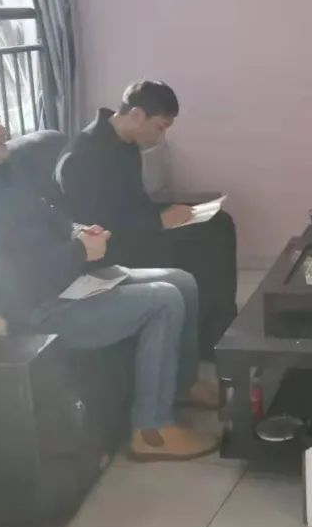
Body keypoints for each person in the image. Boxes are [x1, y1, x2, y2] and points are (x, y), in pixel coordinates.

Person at [0, 84, 220, 462]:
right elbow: (2, 280)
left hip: (63, 283)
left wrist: (77, 231)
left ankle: (181, 385)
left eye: (0, 120)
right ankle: (152, 430)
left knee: (181, 281)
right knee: (163, 299)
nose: (3, 129)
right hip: (30, 311)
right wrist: (78, 252)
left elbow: (49, 214)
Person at [56, 81, 238, 359]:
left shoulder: (126, 144)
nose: (160, 137)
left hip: (136, 228)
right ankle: (209, 342)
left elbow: (131, 203)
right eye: (160, 127)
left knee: (219, 223)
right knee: (206, 241)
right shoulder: (83, 155)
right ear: (137, 115)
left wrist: (168, 212)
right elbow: (97, 223)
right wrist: (158, 220)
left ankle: (222, 330)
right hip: (111, 246)